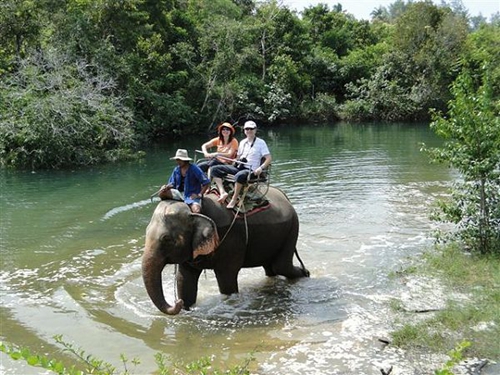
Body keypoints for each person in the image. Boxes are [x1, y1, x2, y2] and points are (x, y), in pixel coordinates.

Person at [211, 120, 272, 209]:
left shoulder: (261, 143)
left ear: (255, 130)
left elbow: (269, 158)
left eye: (251, 129)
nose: (249, 131)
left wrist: (261, 168)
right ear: (244, 130)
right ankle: (223, 192)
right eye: (247, 129)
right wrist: (235, 160)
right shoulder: (242, 142)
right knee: (214, 169)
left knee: (239, 175)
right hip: (240, 166)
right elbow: (238, 157)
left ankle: (234, 199)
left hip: (251, 170)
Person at [159, 149, 210, 213]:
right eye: (177, 160)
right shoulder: (176, 169)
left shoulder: (194, 169)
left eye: (180, 160)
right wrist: (166, 187)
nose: (178, 162)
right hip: (179, 193)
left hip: (191, 194)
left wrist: (199, 195)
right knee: (161, 193)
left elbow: (206, 183)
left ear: (185, 160)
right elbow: (172, 183)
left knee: (196, 210)